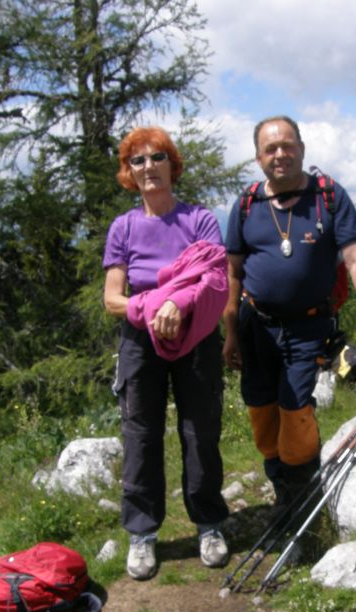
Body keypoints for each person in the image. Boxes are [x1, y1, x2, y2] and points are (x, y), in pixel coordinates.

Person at [222, 115, 356, 513]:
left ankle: (301, 493)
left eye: (288, 145)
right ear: (258, 157)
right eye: (271, 149)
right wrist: (231, 330)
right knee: (260, 407)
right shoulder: (247, 204)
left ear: (302, 149)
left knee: (294, 407)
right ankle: (281, 486)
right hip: (256, 325)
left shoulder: (328, 196)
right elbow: (233, 272)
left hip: (307, 326)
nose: (280, 154)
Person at [103, 126, 230, 581]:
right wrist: (155, 307)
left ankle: (209, 523)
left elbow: (214, 279)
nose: (147, 167)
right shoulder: (123, 227)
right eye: (137, 161)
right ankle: (142, 534)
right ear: (128, 173)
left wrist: (177, 304)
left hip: (194, 334)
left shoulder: (199, 220)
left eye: (156, 157)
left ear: (171, 165)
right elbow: (112, 298)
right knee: (141, 434)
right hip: (141, 339)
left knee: (200, 431)